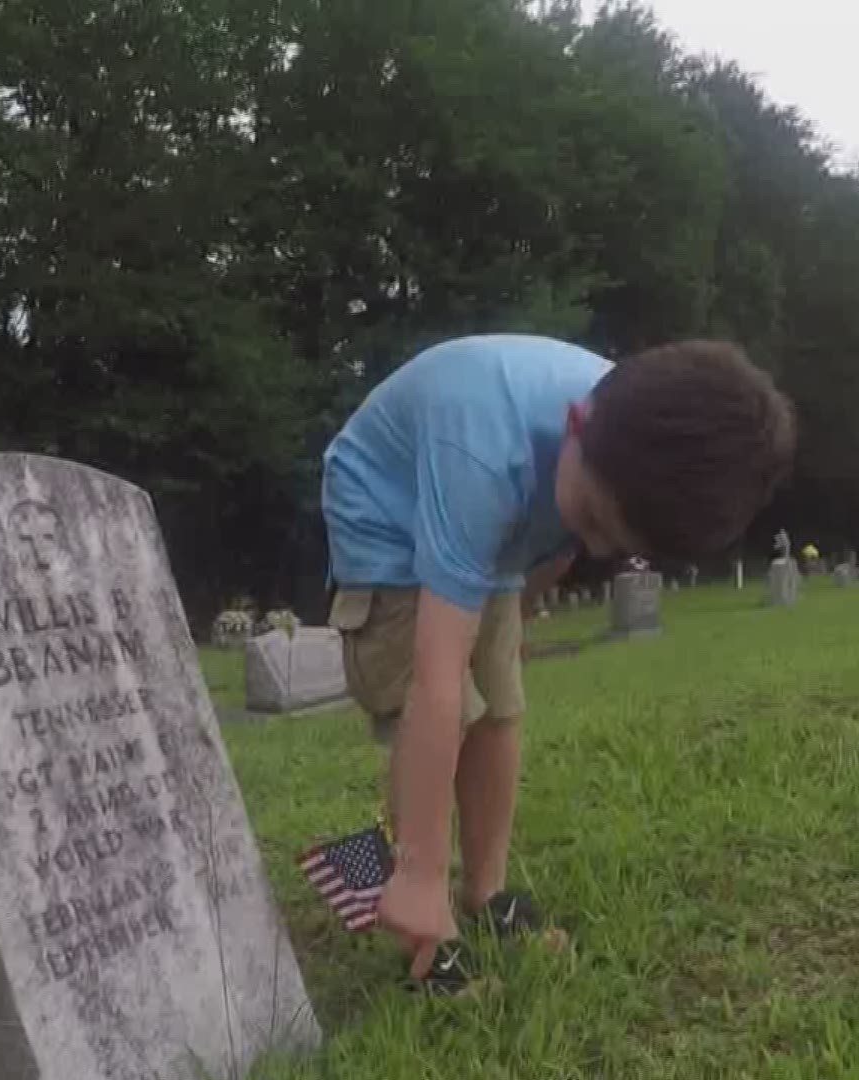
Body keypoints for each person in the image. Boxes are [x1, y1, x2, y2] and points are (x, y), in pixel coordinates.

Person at [320, 333, 797, 988]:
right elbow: (434, 681)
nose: (594, 544)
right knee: (444, 705)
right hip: (388, 520)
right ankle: (423, 921)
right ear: (576, 423)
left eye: (616, 544)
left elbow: (557, 548)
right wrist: (423, 870)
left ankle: (486, 896)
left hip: (498, 529)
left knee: (501, 706)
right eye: (595, 520)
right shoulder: (484, 451)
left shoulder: (633, 443)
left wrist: (509, 624)